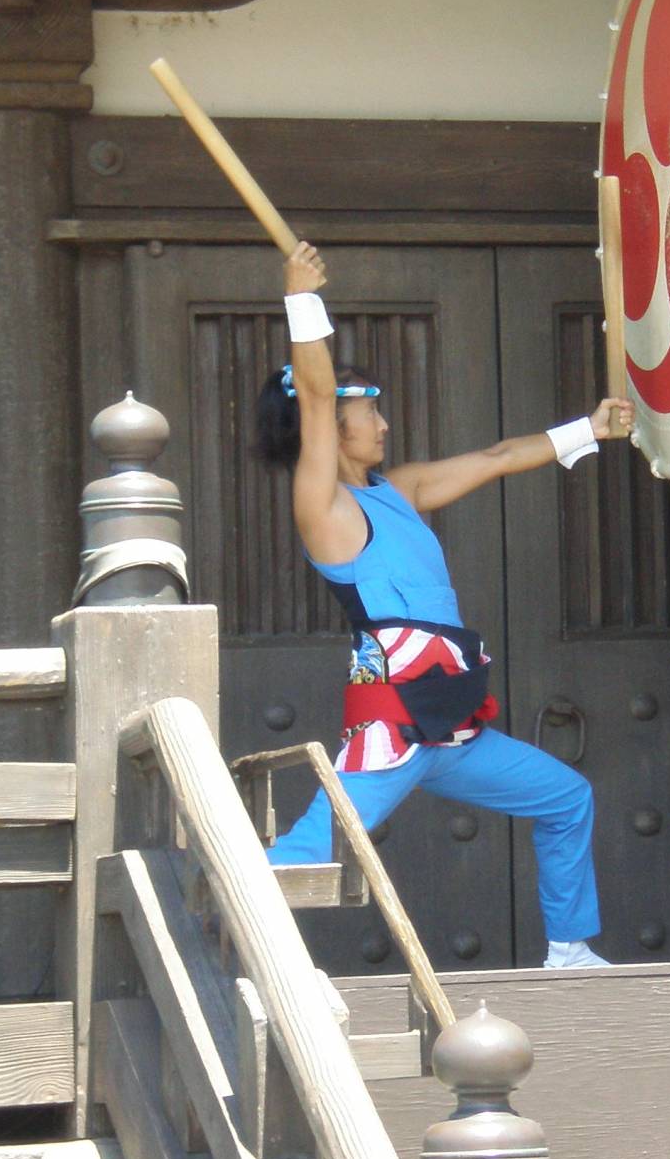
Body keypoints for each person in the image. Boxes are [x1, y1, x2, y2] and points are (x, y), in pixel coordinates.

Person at [254, 241, 631, 970]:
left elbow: (495, 458)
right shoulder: (323, 504)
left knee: (564, 797)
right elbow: (317, 389)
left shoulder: (402, 491)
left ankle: (570, 950)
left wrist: (588, 428)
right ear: (331, 422)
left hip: (448, 720)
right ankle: (222, 949)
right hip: (395, 722)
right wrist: (300, 297)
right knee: (302, 856)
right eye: (370, 411)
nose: (384, 424)